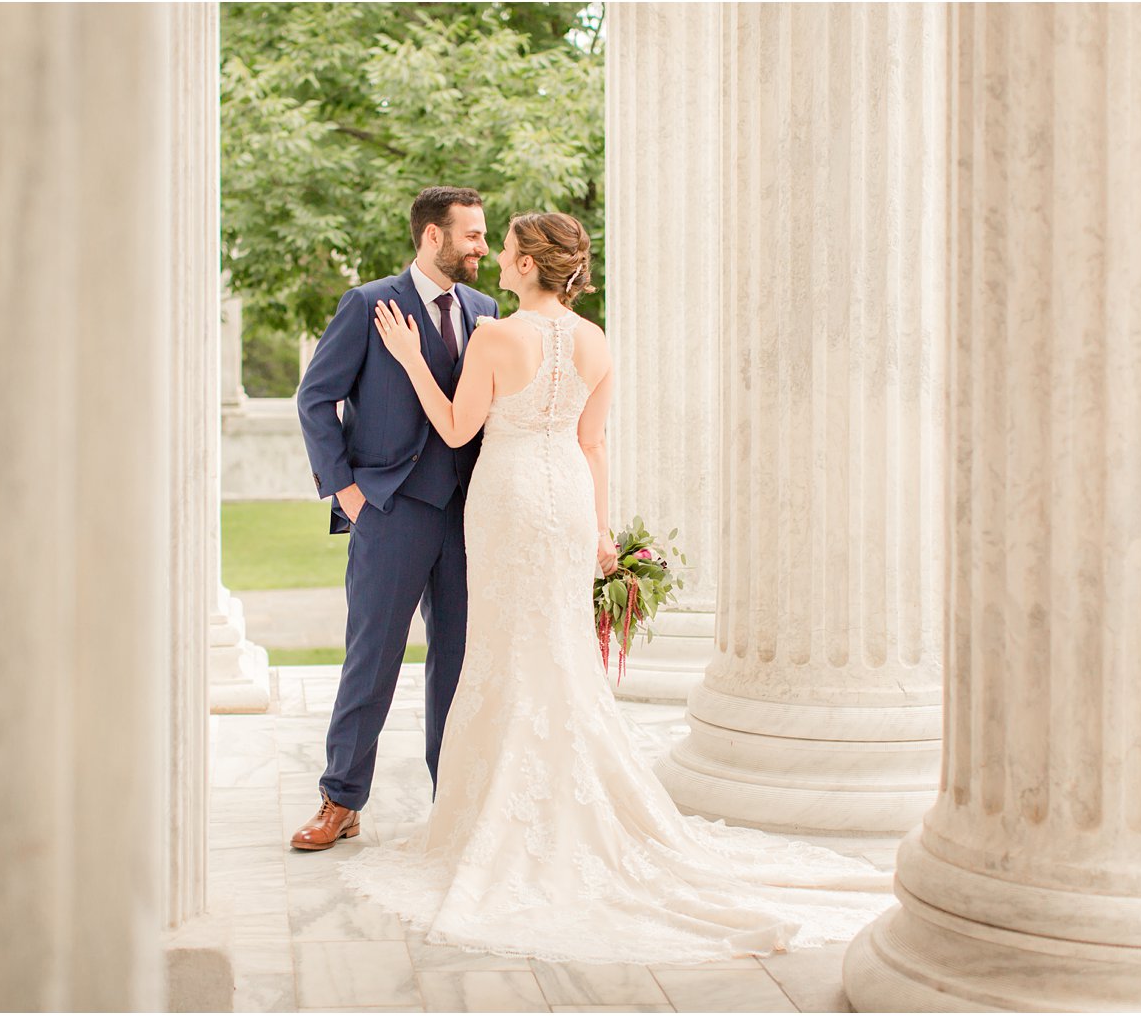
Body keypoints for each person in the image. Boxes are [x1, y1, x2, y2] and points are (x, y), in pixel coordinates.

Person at [338, 210, 895, 964]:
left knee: (503, 647)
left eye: (505, 248)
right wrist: (599, 533)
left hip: (506, 501)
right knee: (557, 650)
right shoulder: (595, 339)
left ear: (530, 265)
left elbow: (456, 429)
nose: (497, 258)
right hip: (566, 501)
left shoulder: (496, 337)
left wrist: (408, 357)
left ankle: (499, 815)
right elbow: (592, 443)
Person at [292, 186, 500, 850]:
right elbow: (314, 399)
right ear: (431, 236)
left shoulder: (486, 311)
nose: (483, 247)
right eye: (472, 234)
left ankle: (454, 800)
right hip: (390, 510)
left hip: (466, 516)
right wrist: (346, 493)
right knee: (371, 660)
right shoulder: (367, 304)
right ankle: (340, 799)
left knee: (459, 664)